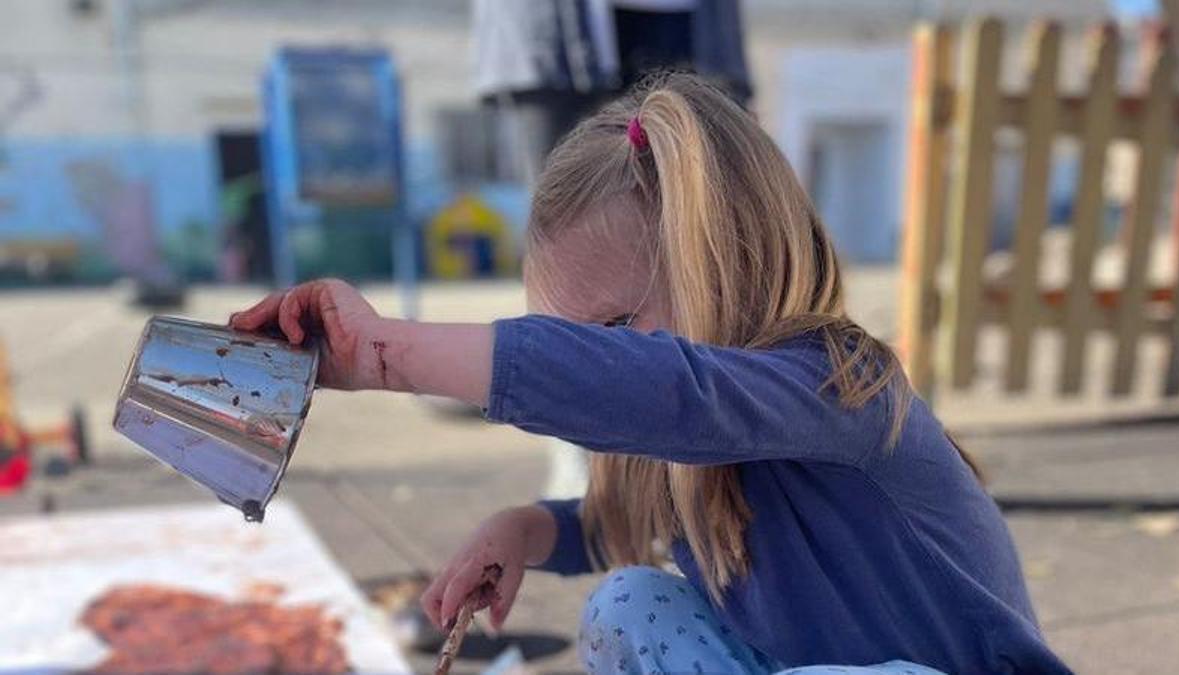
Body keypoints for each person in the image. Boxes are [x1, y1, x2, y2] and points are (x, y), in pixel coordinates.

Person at [231, 74, 1069, 674]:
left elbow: (671, 391)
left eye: (609, 333)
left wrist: (389, 354)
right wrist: (525, 529)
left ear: (726, 270)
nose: (592, 367)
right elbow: (614, 523)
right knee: (628, 601)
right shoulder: (680, 441)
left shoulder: (839, 383)